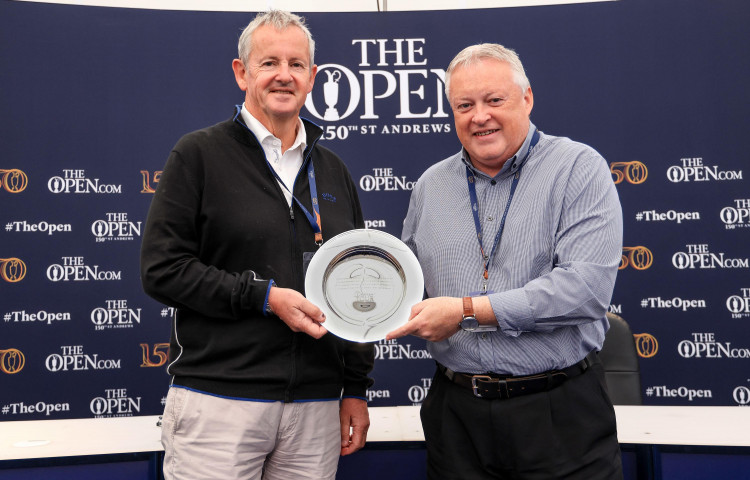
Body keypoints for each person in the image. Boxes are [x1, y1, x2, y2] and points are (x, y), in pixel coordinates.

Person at [140, 10, 374, 480]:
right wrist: (263, 297)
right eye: (269, 63)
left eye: (296, 64)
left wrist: (355, 387)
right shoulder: (198, 155)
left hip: (316, 406)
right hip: (220, 402)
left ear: (312, 77)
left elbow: (355, 280)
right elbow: (162, 269)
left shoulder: (333, 170)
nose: (284, 75)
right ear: (241, 72)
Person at [387, 43, 624, 479]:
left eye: (494, 100)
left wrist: (465, 312)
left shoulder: (578, 168)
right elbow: (403, 283)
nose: (480, 116)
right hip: (456, 419)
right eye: (464, 105)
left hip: (558, 414)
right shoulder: (430, 186)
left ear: (527, 98)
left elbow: (584, 291)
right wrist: (356, 301)